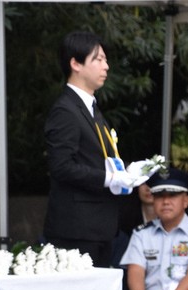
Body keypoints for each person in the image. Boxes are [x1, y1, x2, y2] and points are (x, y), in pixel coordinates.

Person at [43, 31, 145, 267]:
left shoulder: (91, 108)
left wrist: (130, 171)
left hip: (100, 226)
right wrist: (110, 178)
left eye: (105, 60)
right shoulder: (65, 110)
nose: (106, 66)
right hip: (75, 229)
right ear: (75, 63)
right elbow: (61, 166)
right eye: (98, 59)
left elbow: (96, 160)